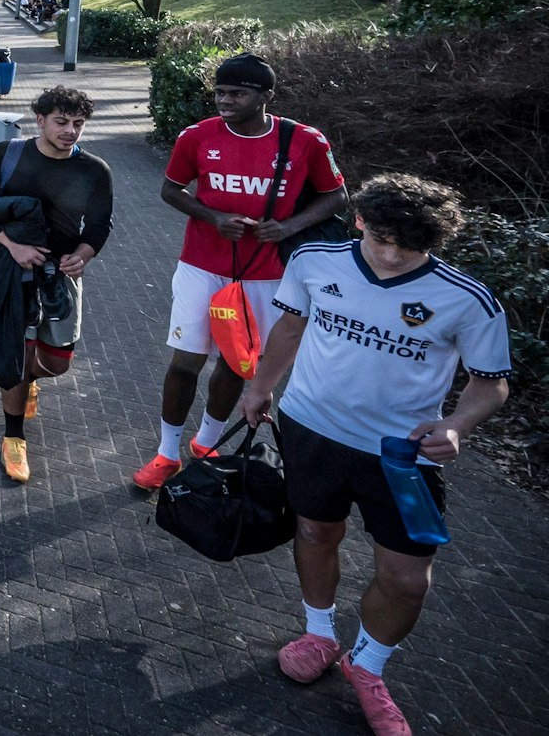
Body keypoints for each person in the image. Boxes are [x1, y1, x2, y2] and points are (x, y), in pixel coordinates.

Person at [240, 174, 509, 736]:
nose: (388, 256)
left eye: (407, 247)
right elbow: (289, 328)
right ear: (359, 220)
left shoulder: (468, 299)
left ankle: (368, 665)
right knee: (315, 532)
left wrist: (458, 426)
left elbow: (490, 384)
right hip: (311, 429)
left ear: (435, 244)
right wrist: (259, 387)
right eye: (379, 238)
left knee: (409, 579)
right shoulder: (314, 259)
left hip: (401, 455)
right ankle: (319, 633)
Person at [134, 53, 347, 490]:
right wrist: (212, 217)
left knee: (237, 364)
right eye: (220, 92)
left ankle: (207, 443)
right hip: (202, 267)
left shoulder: (305, 141)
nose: (225, 101)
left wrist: (288, 226)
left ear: (266, 96)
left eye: (237, 93)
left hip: (268, 274)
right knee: (185, 363)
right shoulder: (197, 137)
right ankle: (166, 453)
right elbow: (171, 189)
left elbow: (336, 196)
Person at [0, 85, 114, 483]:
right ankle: (14, 437)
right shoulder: (7, 154)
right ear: (40, 120)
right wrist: (12, 246)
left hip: (59, 278)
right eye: (61, 122)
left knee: (57, 363)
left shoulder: (94, 170)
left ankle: (30, 381)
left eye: (78, 124)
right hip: (10, 274)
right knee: (16, 360)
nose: (70, 131)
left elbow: (99, 225)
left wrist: (84, 254)